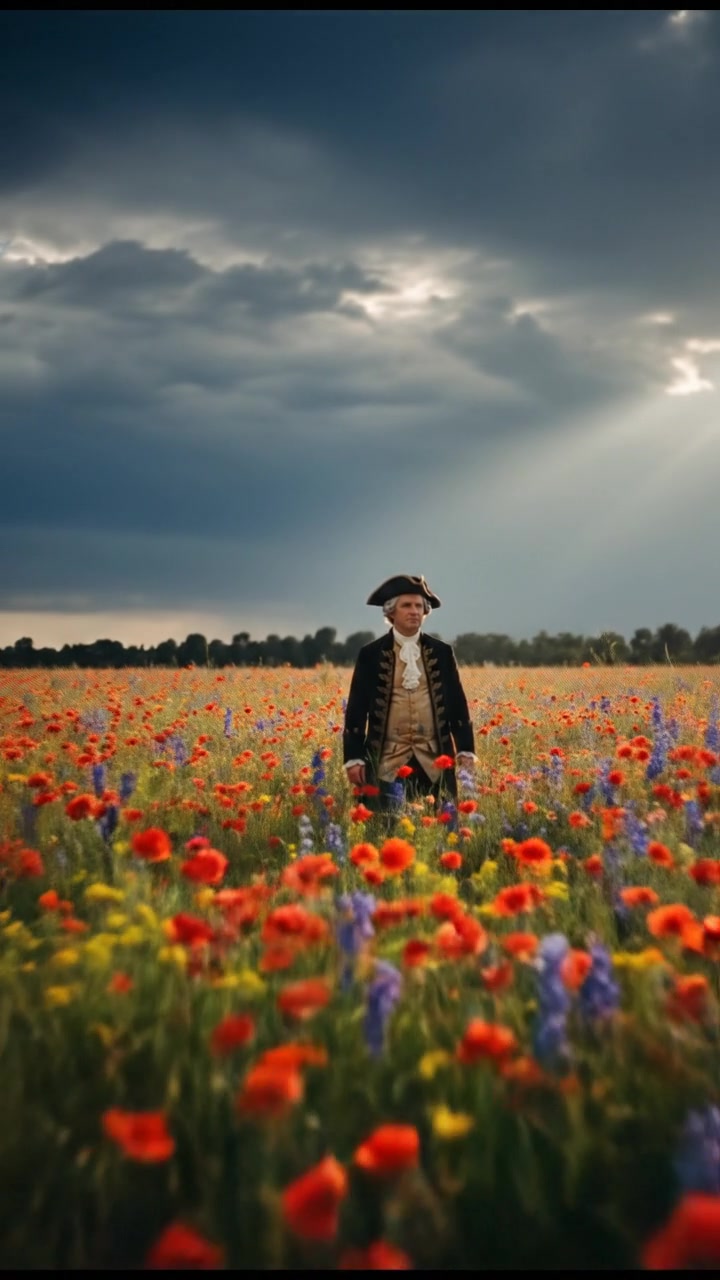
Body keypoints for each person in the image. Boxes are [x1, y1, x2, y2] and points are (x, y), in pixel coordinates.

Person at [343, 574, 476, 815]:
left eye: (418, 606)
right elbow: (356, 710)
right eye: (406, 605)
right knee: (386, 829)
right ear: (390, 612)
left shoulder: (442, 652)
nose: (414, 611)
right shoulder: (370, 654)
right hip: (386, 761)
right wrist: (354, 758)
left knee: (438, 829)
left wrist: (466, 750)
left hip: (434, 760)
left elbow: (457, 704)